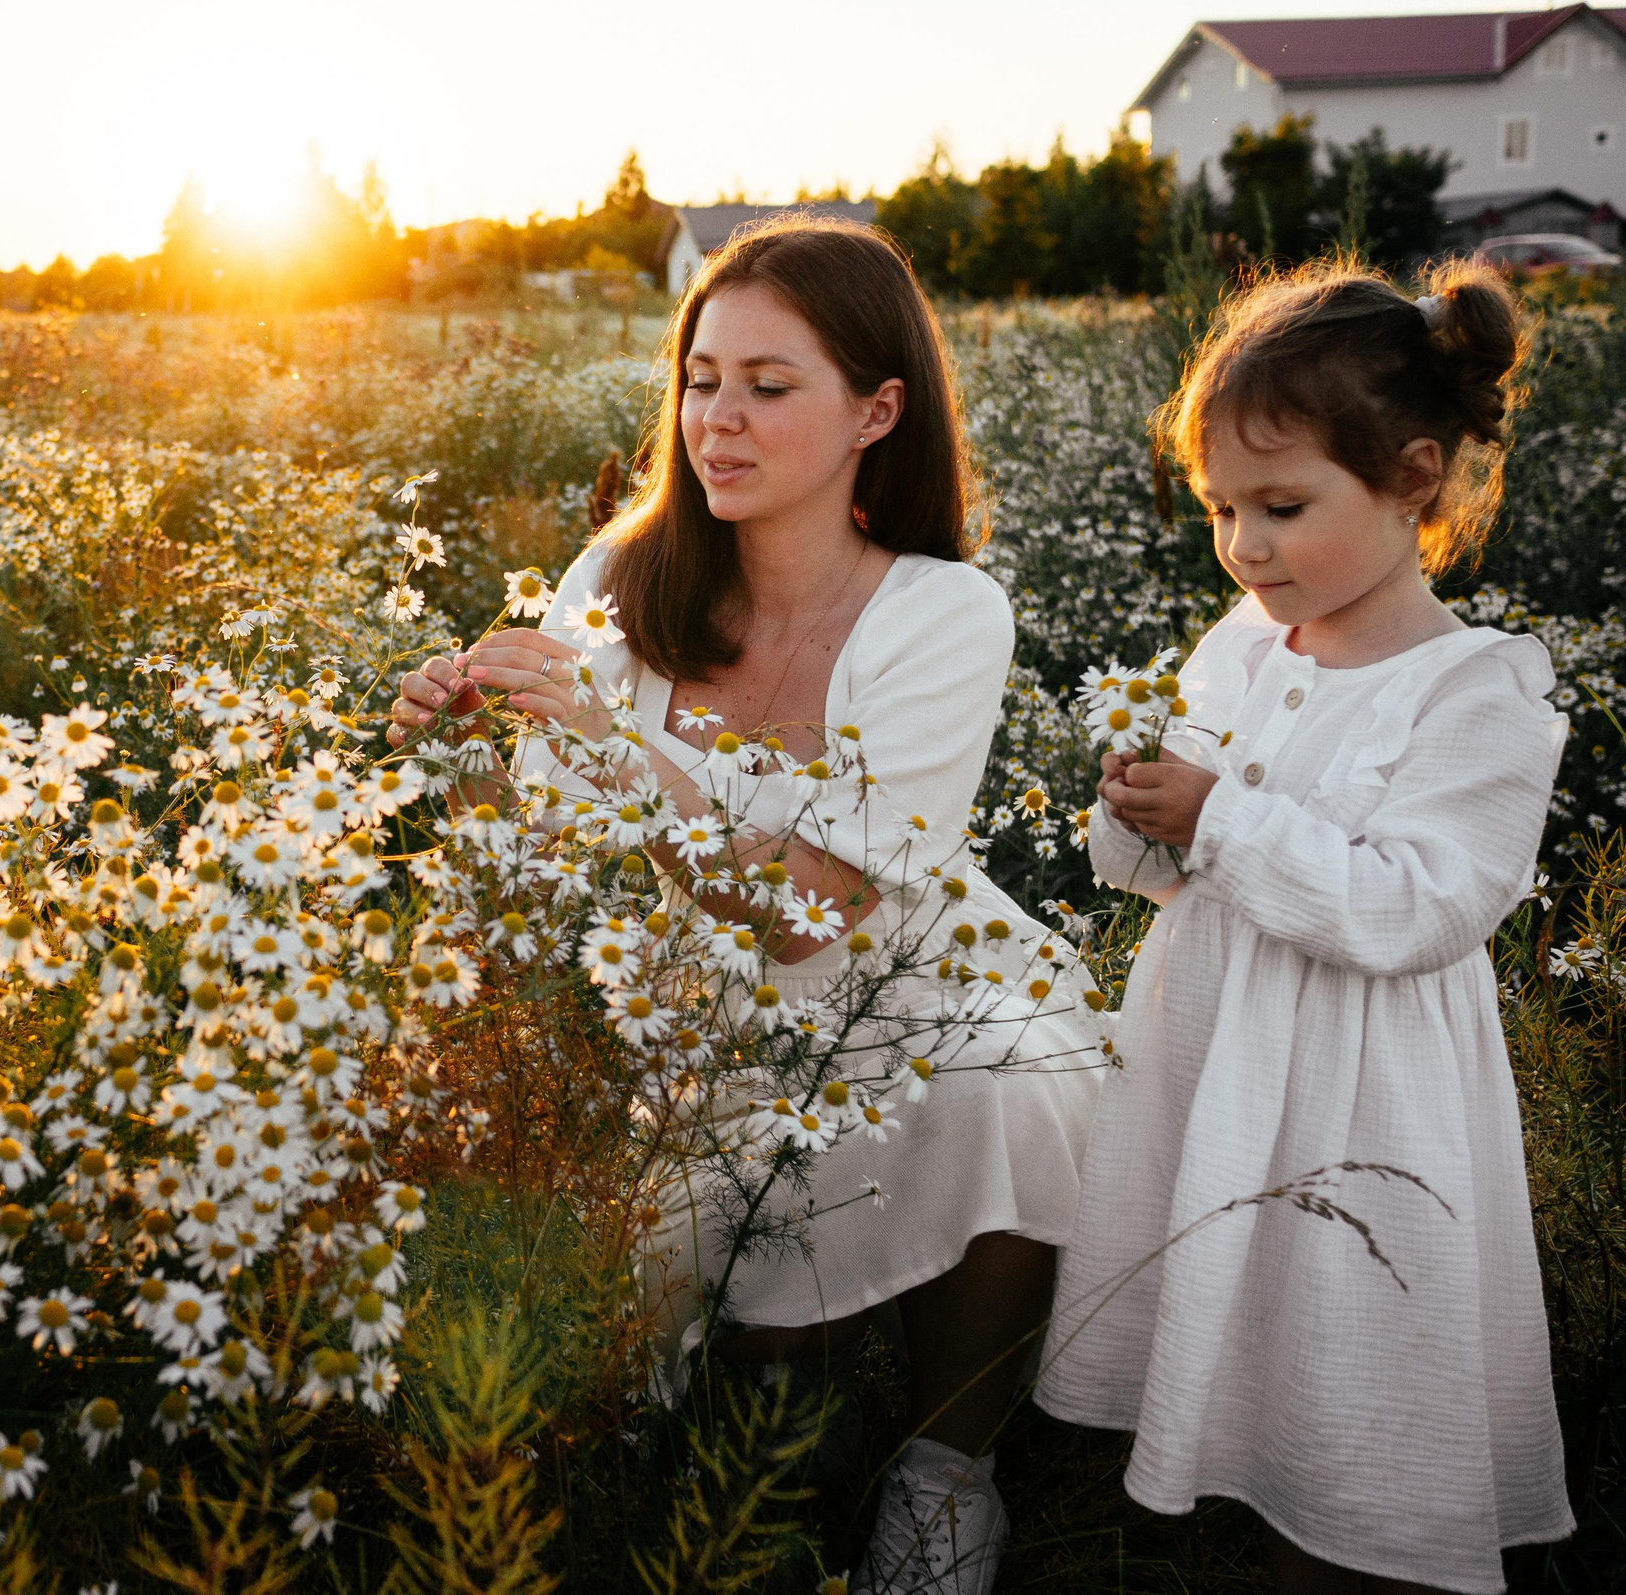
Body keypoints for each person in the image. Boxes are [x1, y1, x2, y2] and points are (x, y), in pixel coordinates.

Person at [392, 218, 1107, 1593]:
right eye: (700, 378)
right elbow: (545, 842)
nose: (717, 419)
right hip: (663, 970)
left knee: (1019, 1069)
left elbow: (808, 919)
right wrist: (462, 744)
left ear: (875, 411)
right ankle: (740, 1418)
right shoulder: (617, 578)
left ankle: (947, 1472)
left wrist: (610, 741)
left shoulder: (944, 612)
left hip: (891, 966)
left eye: (769, 386)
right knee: (734, 1382)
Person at [1034, 262, 1573, 1594]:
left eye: (1282, 505)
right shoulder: (1246, 645)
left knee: (1347, 1358)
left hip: (1362, 1109)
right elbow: (1182, 875)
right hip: (1217, 1060)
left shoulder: (1479, 695)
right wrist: (1146, 815)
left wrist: (1222, 818)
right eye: (1222, 508)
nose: (1244, 545)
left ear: (1415, 479)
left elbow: (1416, 907)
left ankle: (1346, 1538)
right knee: (1239, 1318)